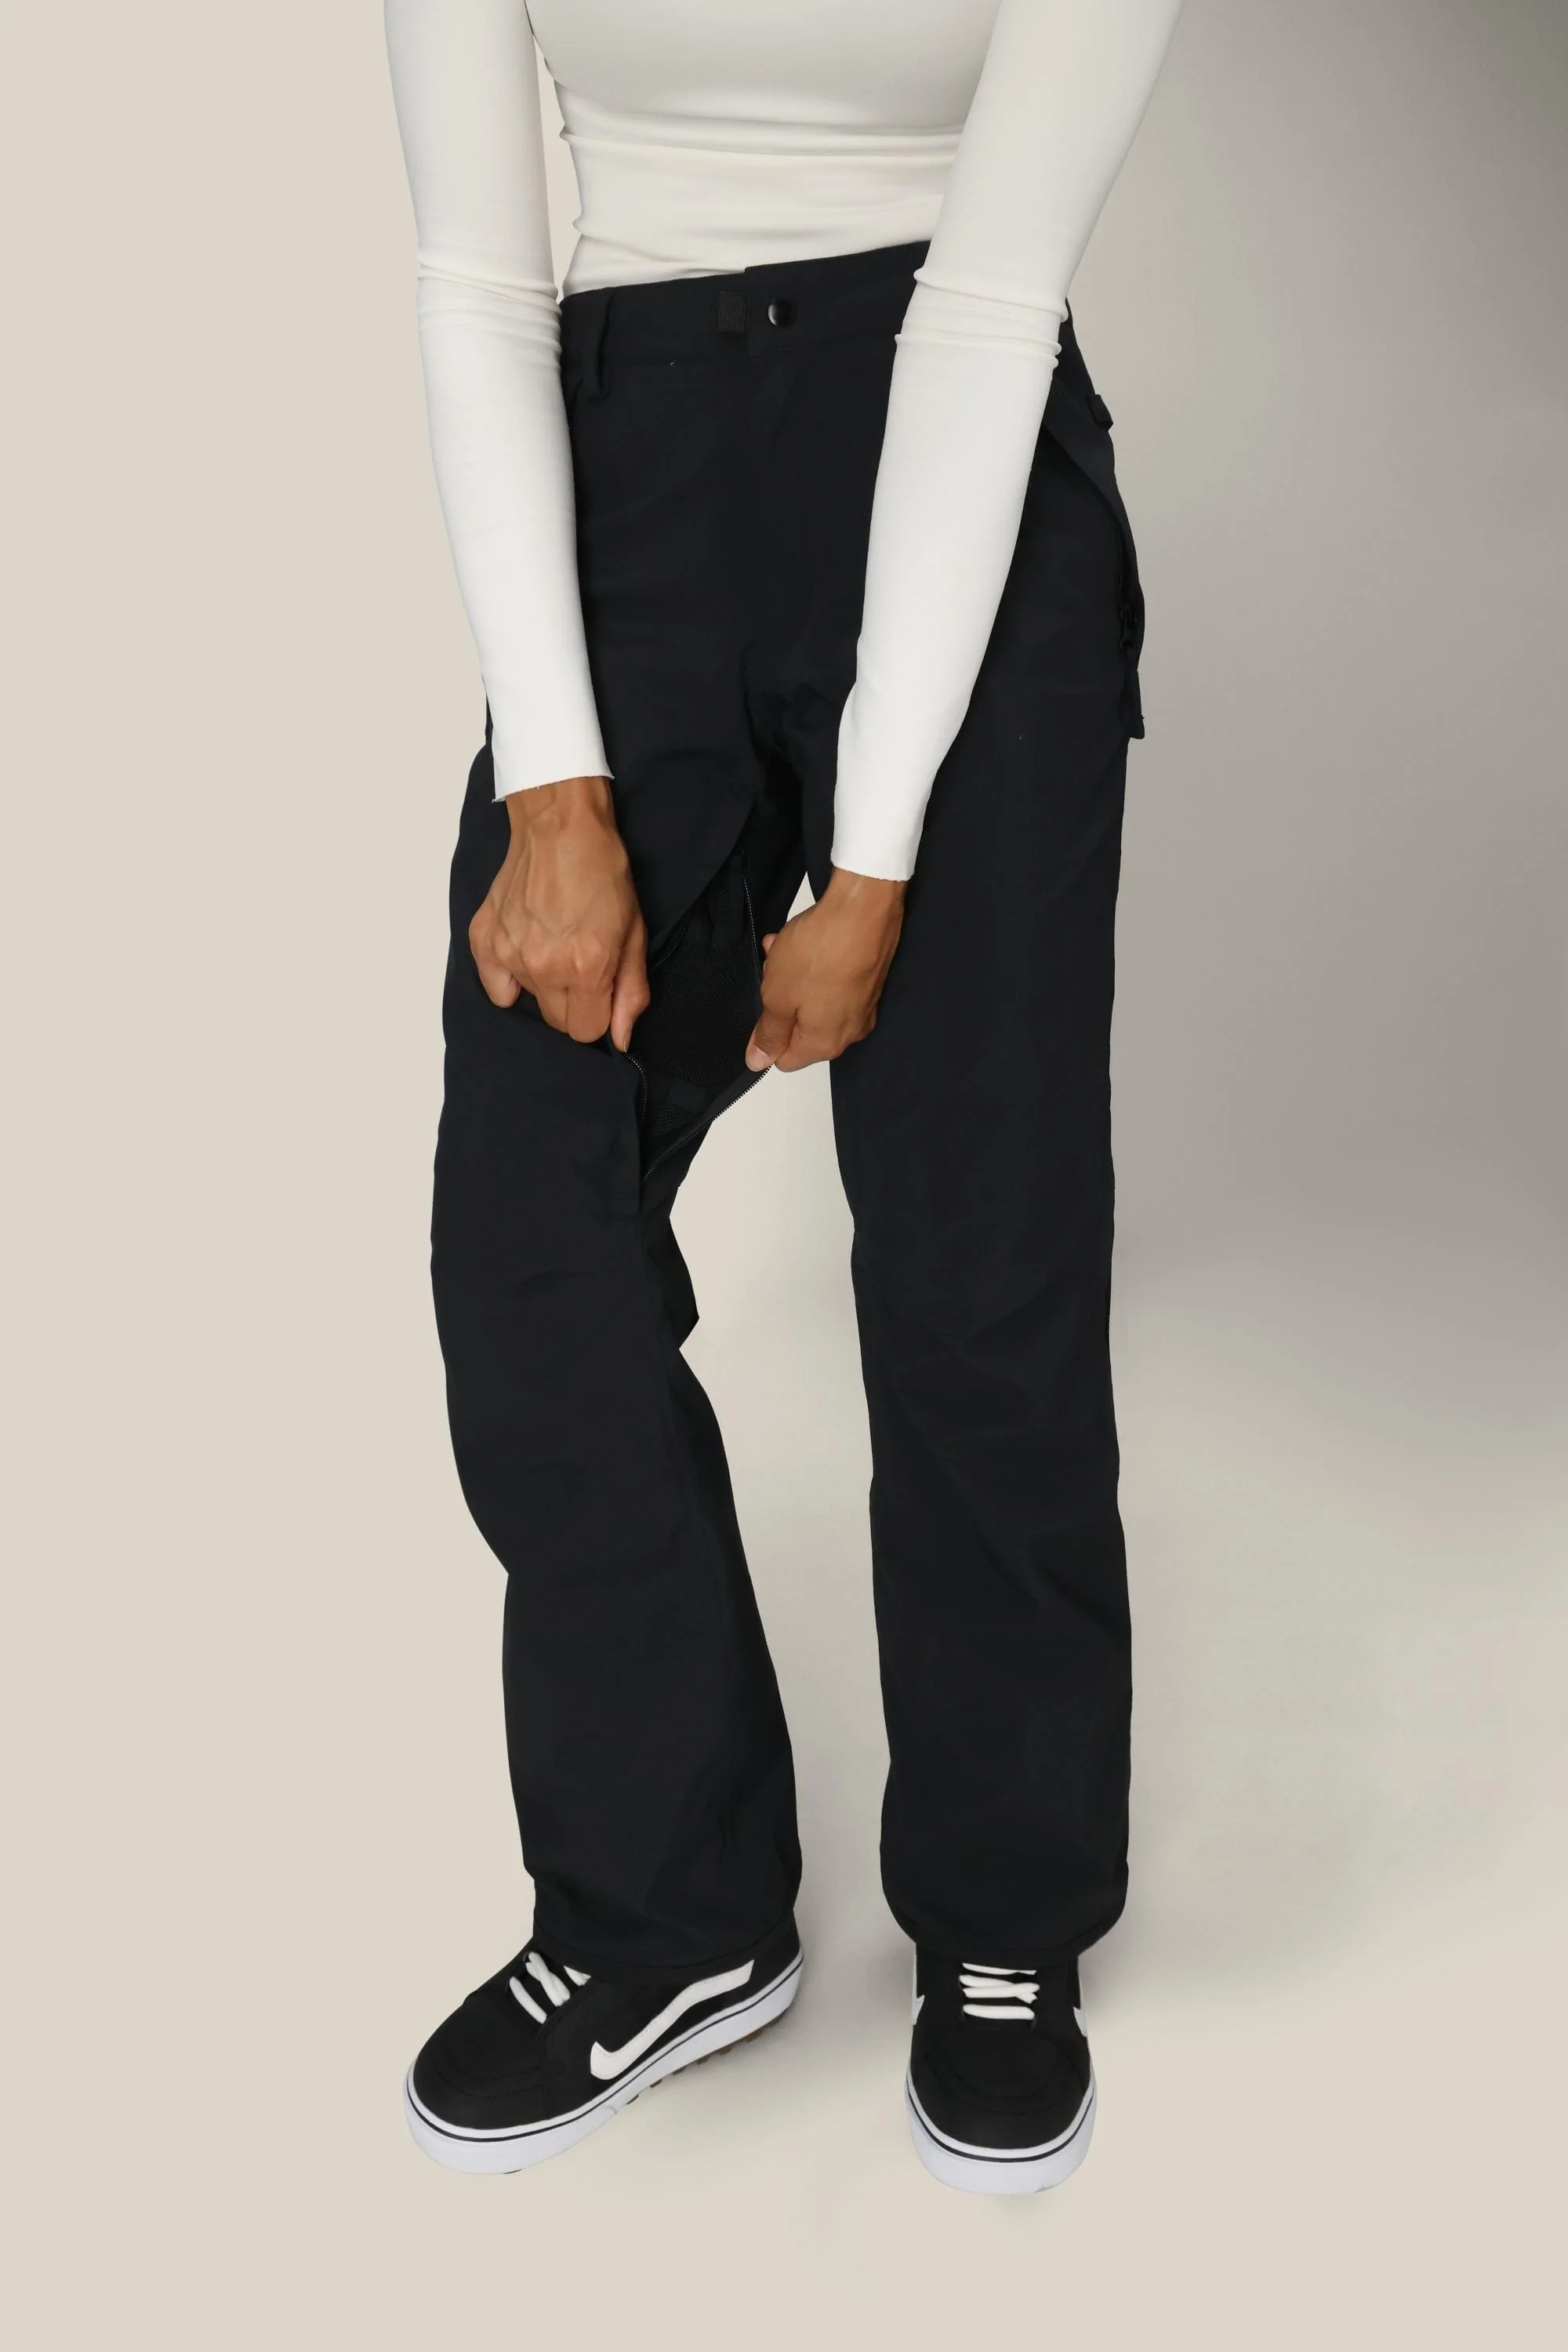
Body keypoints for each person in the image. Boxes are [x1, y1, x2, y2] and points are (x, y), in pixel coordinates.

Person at [384, 0, 1182, 2195]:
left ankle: (1006, 1911)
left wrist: (873, 862)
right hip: (625, 465)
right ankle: (672, 1913)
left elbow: (991, 305)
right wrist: (554, 782)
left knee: (978, 1259)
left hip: (960, 473)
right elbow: (478, 275)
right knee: (531, 1235)